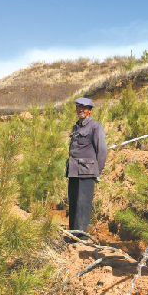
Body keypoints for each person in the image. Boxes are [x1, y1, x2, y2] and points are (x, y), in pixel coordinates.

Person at [66, 97, 107, 239]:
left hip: (87, 172)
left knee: (83, 205)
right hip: (73, 171)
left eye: (84, 108)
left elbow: (101, 150)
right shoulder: (76, 126)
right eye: (79, 107)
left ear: (90, 110)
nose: (81, 110)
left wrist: (97, 171)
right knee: (73, 203)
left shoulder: (96, 126)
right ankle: (72, 236)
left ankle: (81, 238)